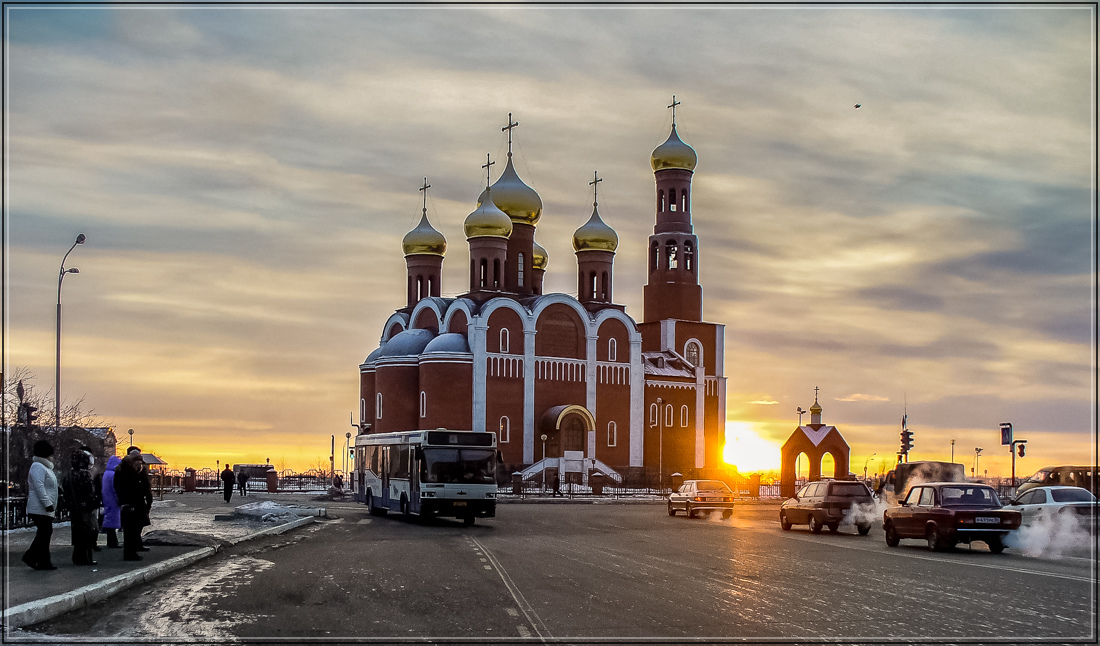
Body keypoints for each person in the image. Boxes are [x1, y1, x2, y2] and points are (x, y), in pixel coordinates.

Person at [22, 440, 59, 570]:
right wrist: (47, 503)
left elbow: (50, 486)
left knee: (45, 533)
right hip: (39, 507)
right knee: (45, 533)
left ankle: (42, 561)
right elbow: (39, 486)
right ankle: (32, 557)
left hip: (44, 508)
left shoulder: (45, 467)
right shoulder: (38, 466)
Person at [63, 447, 100, 565]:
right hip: (85, 508)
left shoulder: (69, 474)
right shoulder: (84, 474)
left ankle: (77, 557)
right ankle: (86, 558)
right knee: (87, 532)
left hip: (74, 508)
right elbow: (90, 492)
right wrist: (93, 503)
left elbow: (66, 491)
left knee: (77, 533)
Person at [114, 448, 150, 561]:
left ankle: (132, 551)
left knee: (135, 529)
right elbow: (121, 488)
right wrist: (126, 502)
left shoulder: (135, 471)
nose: (139, 463)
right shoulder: (125, 471)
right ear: (132, 461)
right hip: (130, 505)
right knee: (130, 530)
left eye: (140, 460)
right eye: (137, 460)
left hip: (136, 504)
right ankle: (129, 553)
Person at [100, 455, 122, 548]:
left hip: (107, 498)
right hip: (113, 499)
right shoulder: (113, 474)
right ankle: (113, 542)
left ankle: (111, 541)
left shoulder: (106, 473)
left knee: (109, 518)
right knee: (113, 520)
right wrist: (119, 498)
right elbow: (115, 487)